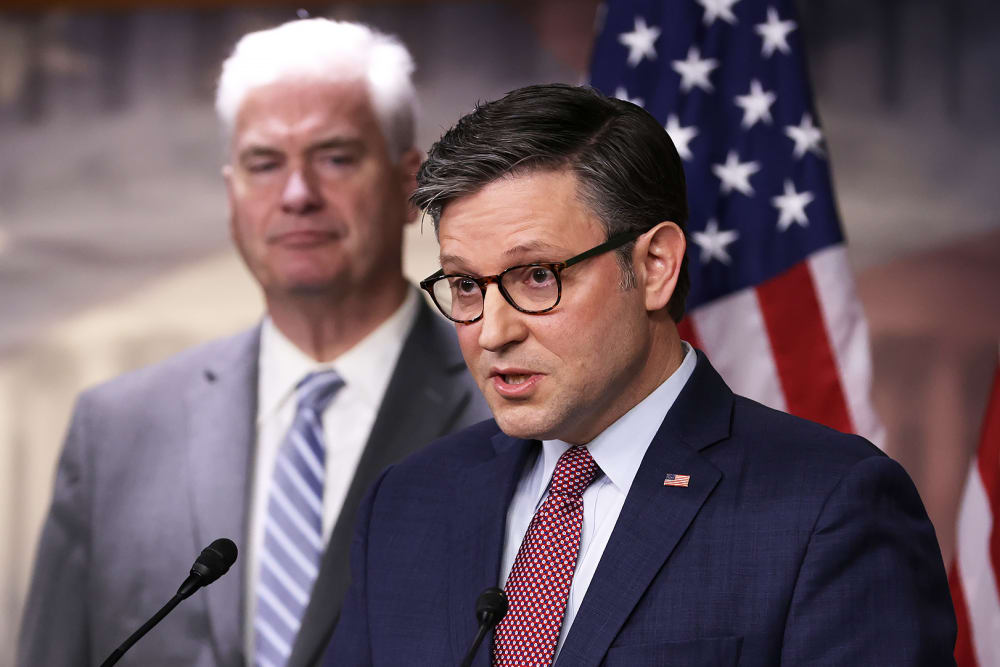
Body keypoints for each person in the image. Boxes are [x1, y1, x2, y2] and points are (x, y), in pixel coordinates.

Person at [325, 83, 956, 666]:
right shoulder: (407, 504)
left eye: (538, 276)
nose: (493, 332)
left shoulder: (828, 507)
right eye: (466, 285)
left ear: (655, 265)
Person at [17, 18, 489, 667]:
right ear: (231, 194)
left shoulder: (513, 408)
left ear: (410, 184)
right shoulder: (115, 431)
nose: (297, 195)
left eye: (335, 157)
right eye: (264, 163)